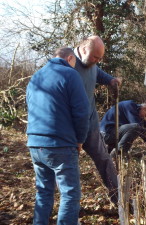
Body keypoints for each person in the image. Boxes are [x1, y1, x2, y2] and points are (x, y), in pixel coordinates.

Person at [26, 47, 89, 225]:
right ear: (70, 58)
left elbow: (30, 105)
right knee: (70, 193)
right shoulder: (70, 75)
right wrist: (80, 139)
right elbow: (82, 111)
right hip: (60, 143)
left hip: (34, 142)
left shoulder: (36, 76)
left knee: (44, 191)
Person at [74, 35, 121, 205]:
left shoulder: (92, 64)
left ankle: (119, 199)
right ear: (84, 49)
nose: (97, 61)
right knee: (70, 170)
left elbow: (98, 73)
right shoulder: (68, 64)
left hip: (91, 125)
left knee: (104, 160)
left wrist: (111, 79)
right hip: (71, 129)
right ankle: (72, 208)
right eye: (95, 57)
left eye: (100, 58)